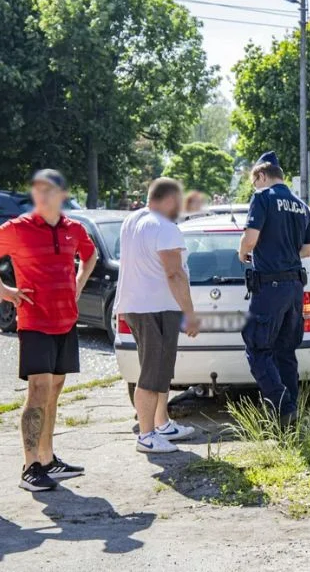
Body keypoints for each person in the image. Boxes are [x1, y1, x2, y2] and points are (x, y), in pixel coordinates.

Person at [0, 170, 97, 491]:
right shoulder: (17, 229)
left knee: (54, 393)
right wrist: (7, 292)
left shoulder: (74, 228)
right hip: (35, 323)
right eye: (37, 191)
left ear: (62, 194)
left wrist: (79, 284)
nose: (41, 196)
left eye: (48, 190)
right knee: (38, 393)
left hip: (66, 321)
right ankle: (30, 467)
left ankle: (47, 459)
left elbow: (90, 254)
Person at [115, 178, 199, 454]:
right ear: (170, 200)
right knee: (152, 374)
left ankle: (162, 425)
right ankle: (146, 434)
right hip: (156, 309)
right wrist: (189, 312)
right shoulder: (165, 228)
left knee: (160, 371)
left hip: (138, 305)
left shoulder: (135, 219)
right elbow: (174, 273)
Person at [238, 151, 310, 428]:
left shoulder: (262, 198)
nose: (254, 187)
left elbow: (250, 239)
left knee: (257, 347)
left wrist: (242, 252)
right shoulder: (300, 205)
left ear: (261, 175)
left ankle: (282, 405)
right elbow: (308, 250)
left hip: (269, 287)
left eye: (254, 181)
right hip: (294, 285)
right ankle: (290, 415)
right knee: (285, 351)